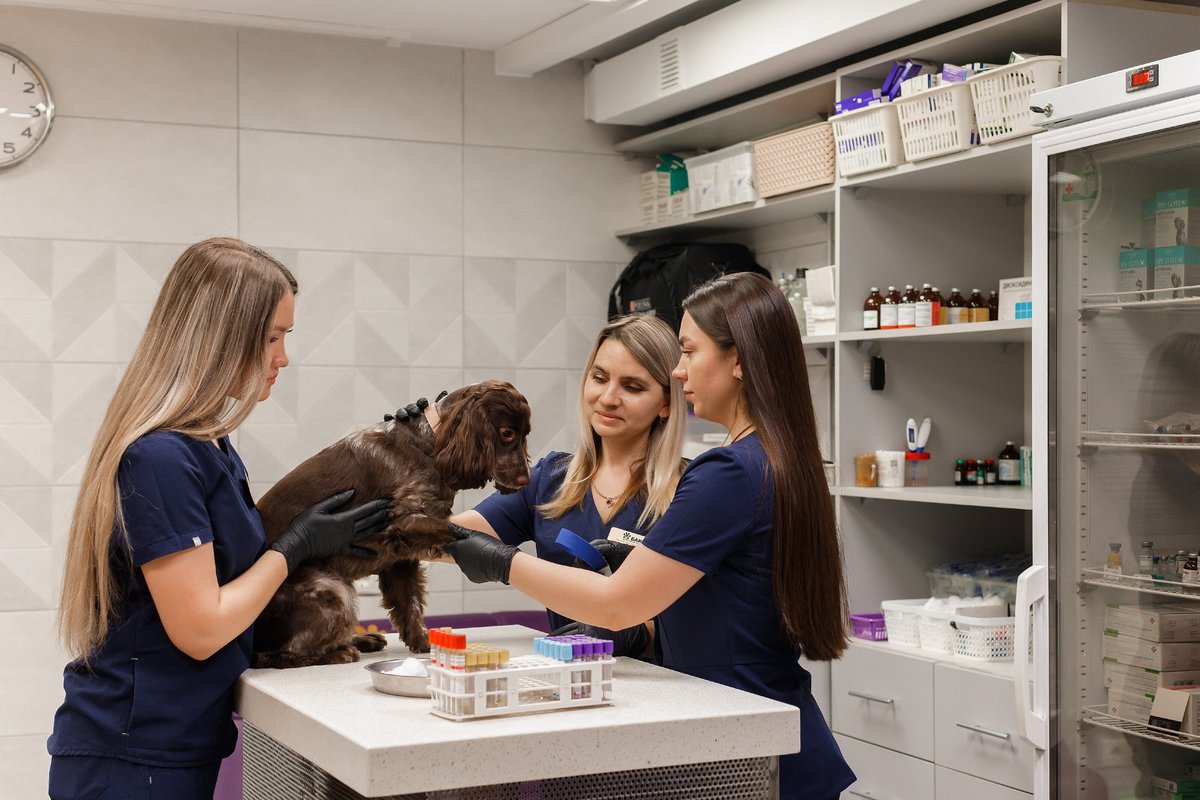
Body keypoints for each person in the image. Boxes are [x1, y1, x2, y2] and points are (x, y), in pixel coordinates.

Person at [445, 272, 856, 799]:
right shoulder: (773, 458)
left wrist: (501, 562)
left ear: (737, 360)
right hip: (757, 733)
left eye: (689, 351)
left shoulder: (726, 472)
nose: (680, 370)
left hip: (747, 745)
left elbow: (616, 604)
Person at [47, 238, 390, 800]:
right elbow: (201, 629)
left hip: (174, 746)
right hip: (131, 759)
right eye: (273, 337)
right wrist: (292, 549)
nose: (283, 357)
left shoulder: (210, 448)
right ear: (221, 336)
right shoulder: (161, 457)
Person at [448, 314, 688, 653]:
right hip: (570, 677)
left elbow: (705, 614)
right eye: (599, 378)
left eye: (633, 387)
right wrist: (380, 518)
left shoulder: (692, 490)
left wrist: (641, 635)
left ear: (666, 403)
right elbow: (449, 538)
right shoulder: (550, 480)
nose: (608, 397)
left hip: (669, 683)